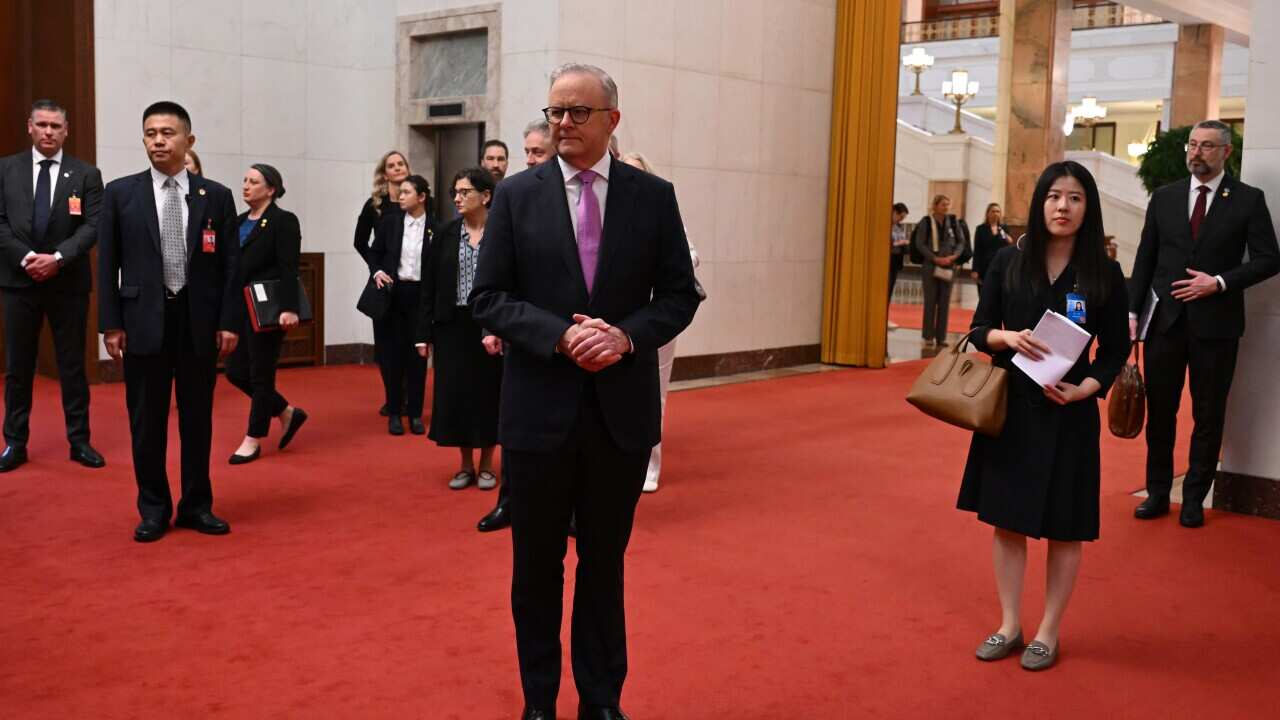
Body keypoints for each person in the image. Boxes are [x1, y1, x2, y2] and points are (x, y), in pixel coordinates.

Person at [471, 62, 701, 720]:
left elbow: (680, 295)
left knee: (604, 566)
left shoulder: (652, 197)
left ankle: (600, 700)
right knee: (536, 568)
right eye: (556, 112)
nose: (564, 123)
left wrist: (625, 337)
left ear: (612, 120)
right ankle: (539, 701)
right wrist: (559, 336)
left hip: (617, 416)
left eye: (578, 112)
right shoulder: (516, 196)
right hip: (537, 415)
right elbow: (489, 298)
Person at [959, 161, 1129, 671]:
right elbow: (979, 328)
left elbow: (1115, 349)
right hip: (1011, 411)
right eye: (1054, 196)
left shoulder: (1104, 273)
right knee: (1007, 522)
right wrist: (1006, 338)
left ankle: (1048, 631)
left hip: (1068, 414)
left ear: (1088, 208)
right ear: (1040, 202)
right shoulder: (1009, 262)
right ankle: (1009, 624)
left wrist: (1086, 389)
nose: (1063, 206)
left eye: (1075, 198)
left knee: (1065, 527)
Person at [98, 101, 241, 542]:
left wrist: (229, 321)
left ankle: (197, 505)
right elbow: (107, 264)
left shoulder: (215, 195)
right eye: (150, 133)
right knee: (147, 421)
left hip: (198, 322)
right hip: (143, 320)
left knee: (197, 420)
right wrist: (110, 323)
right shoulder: (121, 193)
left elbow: (231, 267)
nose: (158, 141)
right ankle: (154, 508)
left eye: (167, 133)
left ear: (188, 140)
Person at [1130, 119, 1280, 528]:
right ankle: (1158, 492)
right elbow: (1146, 258)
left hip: (1217, 327)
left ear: (1226, 152)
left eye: (1207, 146)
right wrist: (1133, 313)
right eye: (1193, 145)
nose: (1196, 152)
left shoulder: (1248, 200)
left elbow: (1269, 259)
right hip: (1165, 323)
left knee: (1208, 415)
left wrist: (1218, 282)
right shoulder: (1164, 197)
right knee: (1161, 413)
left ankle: (1195, 498)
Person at [0, 99, 105, 472]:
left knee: (72, 365)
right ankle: (15, 443)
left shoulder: (86, 174)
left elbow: (93, 225)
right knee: (18, 367)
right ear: (29, 126)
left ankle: (80, 441)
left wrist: (57, 259)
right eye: (42, 125)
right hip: (18, 281)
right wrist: (28, 258)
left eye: (55, 126)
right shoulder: (5, 169)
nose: (48, 132)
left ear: (66, 131)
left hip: (68, 283)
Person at [476, 119, 558, 533]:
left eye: (537, 152)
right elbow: (495, 281)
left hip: (566, 333)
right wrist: (495, 327)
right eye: (525, 151)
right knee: (516, 425)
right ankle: (508, 502)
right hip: (519, 331)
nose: (528, 159)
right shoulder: (514, 195)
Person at [414, 167, 502, 489]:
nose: (457, 198)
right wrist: (422, 333)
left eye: (465, 192)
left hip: (491, 324)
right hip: (452, 325)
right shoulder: (445, 233)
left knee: (489, 394)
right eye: (455, 192)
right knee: (457, 395)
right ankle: (465, 465)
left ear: (486, 196)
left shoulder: (502, 232)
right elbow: (429, 285)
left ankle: (488, 464)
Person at [619, 150, 700, 493]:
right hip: (618, 319)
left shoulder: (659, 208)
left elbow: (690, 253)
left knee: (655, 394)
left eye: (637, 172)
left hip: (656, 318)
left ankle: (650, 466)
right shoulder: (606, 212)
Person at [223, 164, 308, 464]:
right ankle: (286, 412)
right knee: (235, 371)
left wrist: (289, 308)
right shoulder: (238, 221)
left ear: (271, 189)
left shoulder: (284, 221)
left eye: (254, 182)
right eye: (244, 180)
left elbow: (289, 267)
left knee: (261, 374)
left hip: (268, 307)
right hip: (239, 306)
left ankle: (253, 438)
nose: (246, 186)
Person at [369, 174, 432, 436]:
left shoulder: (437, 227)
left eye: (407, 192)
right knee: (393, 356)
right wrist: (377, 272)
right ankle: (394, 412)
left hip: (421, 296)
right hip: (394, 294)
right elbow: (374, 252)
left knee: (418, 357)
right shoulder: (391, 222)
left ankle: (415, 414)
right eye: (401, 191)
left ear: (421, 197)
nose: (400, 196)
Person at [354, 151, 411, 417]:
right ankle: (393, 398)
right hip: (384, 282)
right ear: (384, 173)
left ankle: (408, 397)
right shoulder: (375, 205)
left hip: (412, 280)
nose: (397, 168)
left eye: (401, 164)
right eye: (392, 165)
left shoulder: (420, 201)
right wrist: (375, 268)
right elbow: (360, 241)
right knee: (387, 345)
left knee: (409, 342)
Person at [912, 194, 971, 347]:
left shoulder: (953, 222)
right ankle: (928, 336)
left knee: (944, 302)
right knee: (930, 301)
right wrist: (934, 258)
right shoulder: (926, 222)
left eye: (947, 204)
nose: (946, 207)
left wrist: (954, 256)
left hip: (948, 265)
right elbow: (920, 244)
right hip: (931, 266)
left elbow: (961, 241)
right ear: (935, 206)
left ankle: (941, 338)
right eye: (943, 204)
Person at [972, 202, 1011, 289]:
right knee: (984, 293)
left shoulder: (1004, 228)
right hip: (984, 267)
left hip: (1000, 267)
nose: (995, 214)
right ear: (988, 213)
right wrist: (975, 270)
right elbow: (977, 250)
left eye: (998, 211)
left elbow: (1008, 245)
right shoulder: (980, 229)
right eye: (993, 211)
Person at [888, 202, 910, 329]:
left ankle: (885, 317)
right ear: (894, 212)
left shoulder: (899, 227)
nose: (901, 220)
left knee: (890, 290)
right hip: (887, 261)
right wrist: (898, 243)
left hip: (895, 262)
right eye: (900, 217)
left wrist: (905, 244)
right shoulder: (885, 225)